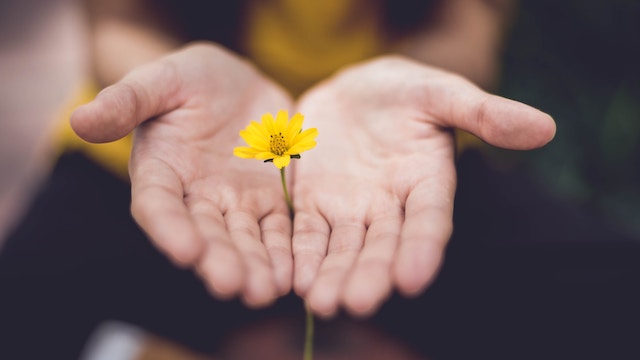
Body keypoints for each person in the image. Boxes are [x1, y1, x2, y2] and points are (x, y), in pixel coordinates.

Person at [1, 1, 638, 359]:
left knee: (612, 290)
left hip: (388, 165)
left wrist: (401, 82)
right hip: (181, 160)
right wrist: (165, 81)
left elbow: (468, 26)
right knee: (21, 302)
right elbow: (118, 20)